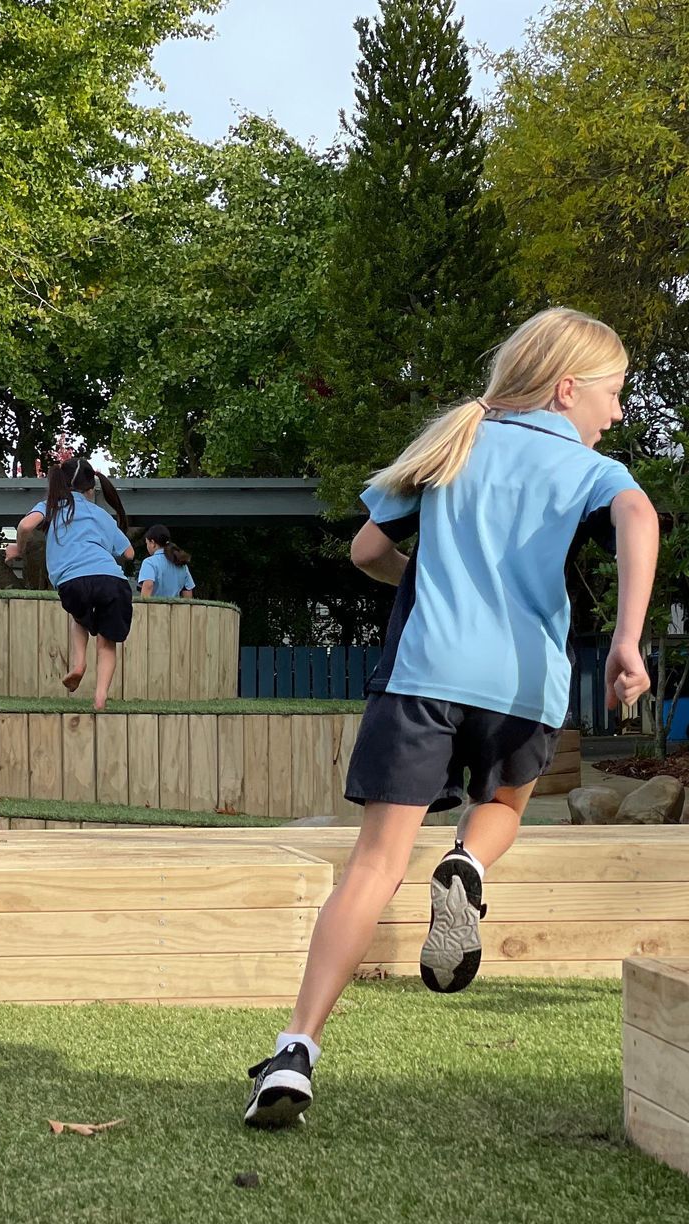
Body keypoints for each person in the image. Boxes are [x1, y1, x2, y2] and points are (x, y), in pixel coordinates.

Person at [243, 307, 658, 1129]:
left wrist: (423, 582)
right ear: (567, 386)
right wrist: (626, 641)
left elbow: (365, 551)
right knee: (500, 811)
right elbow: (639, 519)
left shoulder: (452, 442)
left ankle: (296, 1050)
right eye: (613, 393)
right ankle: (466, 864)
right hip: (522, 683)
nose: (617, 412)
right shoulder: (585, 470)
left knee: (371, 867)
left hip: (423, 674)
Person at [9, 458, 136, 710]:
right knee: (107, 643)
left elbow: (25, 525)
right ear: (91, 489)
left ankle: (79, 664)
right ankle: (100, 698)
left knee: (79, 616)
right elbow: (130, 553)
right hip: (112, 580)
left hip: (72, 581)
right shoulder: (101, 515)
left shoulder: (52, 506)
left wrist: (18, 549)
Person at [137, 525, 195, 599]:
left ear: (153, 543)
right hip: (175, 608)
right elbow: (187, 590)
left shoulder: (149, 562)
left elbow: (148, 585)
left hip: (154, 608)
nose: (147, 546)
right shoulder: (180, 563)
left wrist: (143, 607)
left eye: (147, 543)